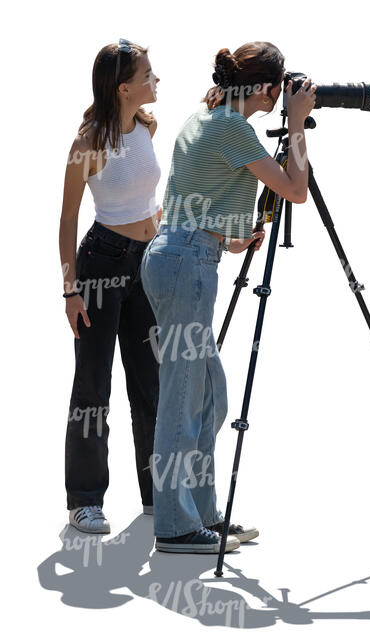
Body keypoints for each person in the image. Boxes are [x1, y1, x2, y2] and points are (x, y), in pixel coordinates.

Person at [140, 41, 317, 553]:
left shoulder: (207, 117)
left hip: (183, 254)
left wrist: (232, 238)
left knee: (209, 395)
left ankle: (203, 513)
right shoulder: (232, 126)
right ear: (265, 87)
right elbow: (294, 189)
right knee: (182, 398)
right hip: (186, 264)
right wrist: (300, 126)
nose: (279, 98)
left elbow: (197, 195)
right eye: (278, 88)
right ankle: (175, 527)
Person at [59, 39, 162, 534]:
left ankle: (157, 495)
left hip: (145, 265)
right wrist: (70, 291)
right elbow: (67, 219)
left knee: (150, 382)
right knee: (94, 384)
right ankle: (84, 499)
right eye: (147, 75)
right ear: (124, 88)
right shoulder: (88, 143)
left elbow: (149, 202)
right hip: (100, 265)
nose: (155, 80)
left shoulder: (147, 126)